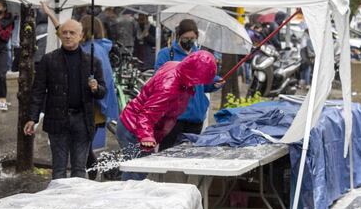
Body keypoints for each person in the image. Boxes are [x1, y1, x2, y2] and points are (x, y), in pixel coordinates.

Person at [24, 19, 106, 180]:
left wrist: (96, 88)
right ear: (60, 35)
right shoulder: (49, 60)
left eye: (72, 33)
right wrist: (32, 118)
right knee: (59, 169)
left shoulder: (92, 62)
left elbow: (103, 92)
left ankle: (76, 202)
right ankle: (57, 201)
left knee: (79, 169)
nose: (68, 36)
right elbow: (38, 91)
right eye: (64, 32)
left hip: (83, 120)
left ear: (81, 36)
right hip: (57, 119)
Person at [118, 50, 217, 180]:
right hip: (133, 127)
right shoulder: (168, 87)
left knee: (139, 170)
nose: (198, 84)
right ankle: (126, 197)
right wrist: (146, 137)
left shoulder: (177, 67)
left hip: (137, 125)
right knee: (136, 173)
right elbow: (146, 115)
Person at [155, 19, 225, 151]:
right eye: (186, 38)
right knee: (166, 154)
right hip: (173, 117)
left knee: (189, 155)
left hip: (195, 117)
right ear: (178, 36)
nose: (189, 41)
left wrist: (214, 83)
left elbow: (203, 84)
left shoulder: (199, 55)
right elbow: (159, 80)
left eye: (192, 38)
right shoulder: (166, 54)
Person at [80, 15, 119, 179]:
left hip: (92, 103)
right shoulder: (101, 47)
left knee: (84, 143)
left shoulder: (89, 49)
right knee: (86, 142)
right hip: (102, 102)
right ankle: (92, 173)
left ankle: (93, 174)